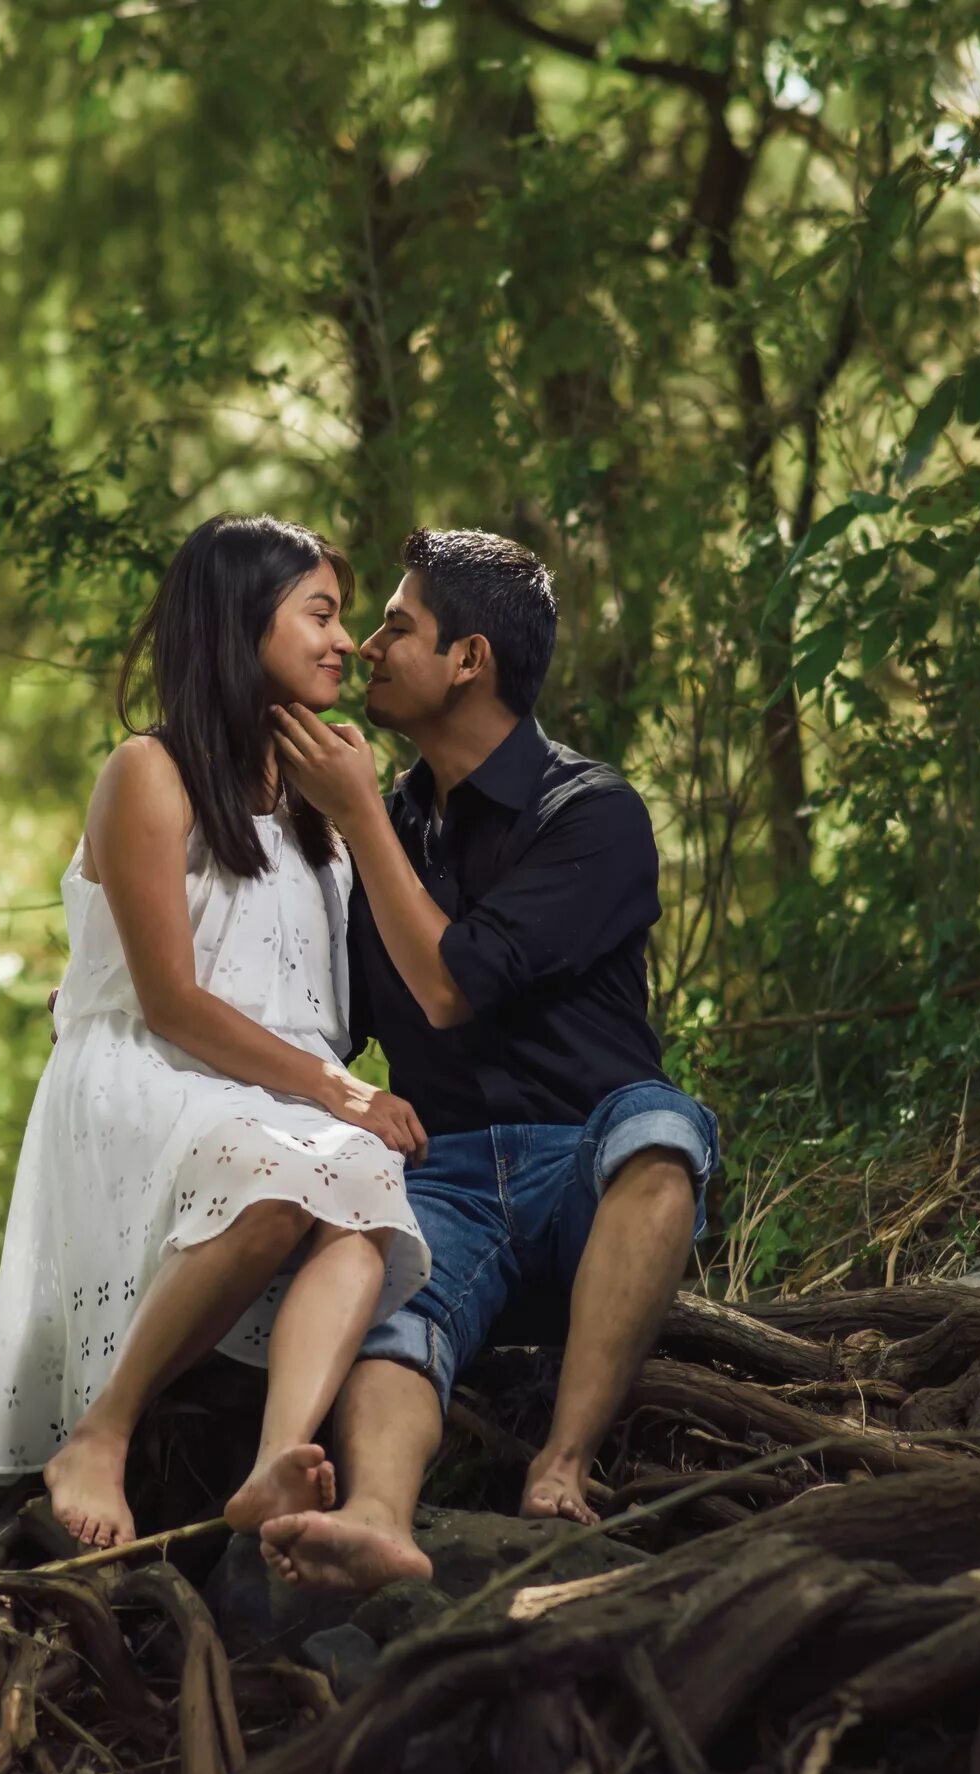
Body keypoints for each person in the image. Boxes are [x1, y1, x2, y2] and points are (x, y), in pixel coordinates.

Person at [258, 527, 719, 1592]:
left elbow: (452, 984)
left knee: (664, 1129)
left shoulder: (591, 813)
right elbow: (313, 1013)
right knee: (389, 1281)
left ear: (468, 659)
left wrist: (361, 815)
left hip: (583, 1179)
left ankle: (563, 1462)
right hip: (444, 1174)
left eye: (397, 626)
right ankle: (378, 1516)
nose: (368, 646)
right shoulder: (378, 823)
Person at [0, 514, 433, 1551]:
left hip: (270, 1090)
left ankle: (278, 1459)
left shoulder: (322, 792)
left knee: (362, 1195)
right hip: (154, 1067)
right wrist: (337, 1088)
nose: (344, 640)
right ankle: (100, 1430)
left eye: (345, 617)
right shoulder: (148, 768)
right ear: (240, 622)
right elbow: (173, 1001)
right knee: (280, 1178)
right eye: (319, 612)